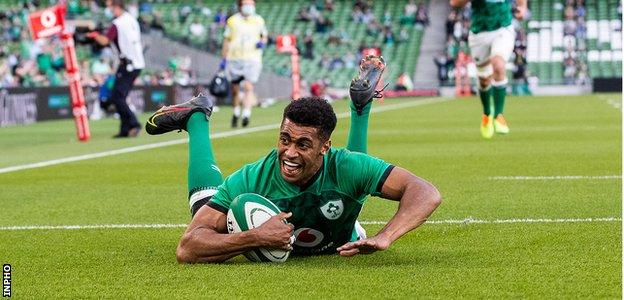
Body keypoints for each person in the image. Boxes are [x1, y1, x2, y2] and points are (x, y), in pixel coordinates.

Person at [145, 56, 441, 263]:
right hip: (276, 215)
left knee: (353, 175)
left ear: (325, 147)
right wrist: (254, 237)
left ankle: (359, 110)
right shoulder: (251, 179)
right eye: (284, 139)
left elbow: (426, 192)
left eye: (303, 144)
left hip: (344, 224)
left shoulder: (344, 165)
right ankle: (198, 118)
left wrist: (387, 236)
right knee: (204, 206)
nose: (289, 152)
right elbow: (187, 248)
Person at [450, 0, 526, 139]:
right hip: (479, 32)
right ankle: (487, 114)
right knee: (484, 80)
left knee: (498, 65)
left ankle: (498, 115)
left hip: (502, 27)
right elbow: (454, 3)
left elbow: (521, 4)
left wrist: (522, 7)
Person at [89, 0, 145, 138]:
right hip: (135, 62)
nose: (109, 10)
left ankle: (133, 123)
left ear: (116, 6)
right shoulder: (131, 19)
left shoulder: (118, 23)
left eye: (110, 7)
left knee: (116, 97)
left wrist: (94, 34)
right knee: (120, 96)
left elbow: (105, 41)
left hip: (128, 65)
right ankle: (125, 129)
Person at [220, 0, 267, 128]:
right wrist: (223, 58)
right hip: (234, 58)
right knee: (235, 89)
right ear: (240, 6)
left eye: (251, 4)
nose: (249, 7)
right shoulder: (232, 21)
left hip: (252, 59)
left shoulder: (259, 20)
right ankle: (235, 113)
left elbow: (264, 35)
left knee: (248, 86)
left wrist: (262, 42)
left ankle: (246, 114)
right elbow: (227, 40)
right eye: (246, 4)